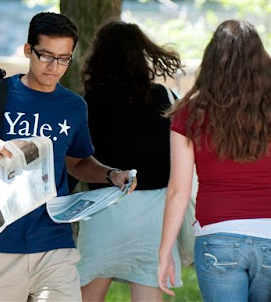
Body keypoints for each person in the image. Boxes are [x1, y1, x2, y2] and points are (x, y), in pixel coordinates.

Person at [0, 12, 136, 302]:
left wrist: (111, 174)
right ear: (28, 50)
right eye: (46, 56)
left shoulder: (74, 107)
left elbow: (78, 163)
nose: (54, 67)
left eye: (63, 58)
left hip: (55, 243)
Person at [158, 19, 271, 302]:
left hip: (217, 236)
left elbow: (178, 190)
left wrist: (165, 252)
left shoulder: (191, 111)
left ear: (212, 60)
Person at [76, 20, 184, 302]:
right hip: (155, 213)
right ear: (140, 54)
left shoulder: (93, 100)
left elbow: (80, 157)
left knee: (89, 291)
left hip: (104, 210)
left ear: (99, 55)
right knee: (148, 290)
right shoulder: (162, 96)